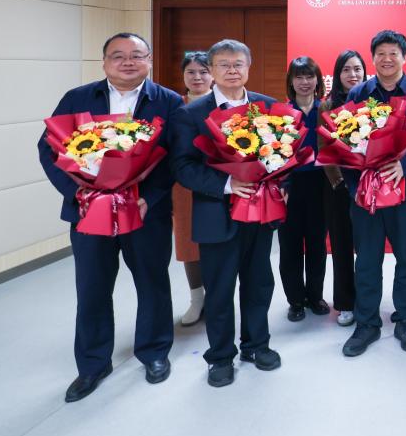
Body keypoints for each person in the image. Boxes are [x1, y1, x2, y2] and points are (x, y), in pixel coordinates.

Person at [38, 33, 182, 402]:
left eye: (136, 55)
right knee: (92, 287)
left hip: (146, 213)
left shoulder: (168, 101)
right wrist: (78, 194)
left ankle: (154, 352)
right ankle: (92, 364)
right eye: (118, 56)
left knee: (152, 283)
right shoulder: (78, 98)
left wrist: (150, 196)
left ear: (149, 60)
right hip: (89, 213)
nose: (127, 62)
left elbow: (175, 157)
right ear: (104, 62)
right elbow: (49, 148)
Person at [171, 39, 280, 387]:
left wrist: (281, 182)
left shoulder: (268, 107)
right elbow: (183, 167)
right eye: (224, 65)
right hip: (215, 214)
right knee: (219, 290)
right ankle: (219, 356)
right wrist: (227, 184)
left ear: (248, 67)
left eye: (238, 64)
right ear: (212, 70)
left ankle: (256, 345)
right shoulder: (192, 114)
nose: (232, 71)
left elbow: (284, 154)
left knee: (259, 283)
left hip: (260, 212)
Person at [340, 31, 406, 357]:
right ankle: (367, 323)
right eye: (381, 53)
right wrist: (356, 186)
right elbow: (343, 141)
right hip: (366, 196)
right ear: (372, 57)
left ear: (404, 57)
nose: (387, 59)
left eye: (393, 53)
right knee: (367, 260)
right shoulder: (358, 93)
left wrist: (404, 166)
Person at [277, 57, 330, 323]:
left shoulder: (326, 110)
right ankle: (296, 300)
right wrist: (281, 184)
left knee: (318, 243)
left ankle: (315, 296)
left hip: (321, 184)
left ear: (318, 80)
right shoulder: (280, 112)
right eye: (299, 77)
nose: (305, 82)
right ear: (291, 81)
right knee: (290, 246)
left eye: (310, 76)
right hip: (289, 186)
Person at [322, 51, 365, 327]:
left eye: (358, 69)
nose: (353, 75)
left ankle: (367, 299)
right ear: (338, 74)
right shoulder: (327, 106)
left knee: (368, 247)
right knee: (341, 245)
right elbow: (323, 147)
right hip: (338, 186)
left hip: (369, 184)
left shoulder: (372, 102)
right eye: (347, 69)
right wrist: (340, 181)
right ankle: (345, 303)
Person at [173, 51, 211, 327]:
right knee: (188, 243)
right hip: (184, 185)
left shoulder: (222, 103)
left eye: (203, 71)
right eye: (191, 72)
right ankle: (196, 299)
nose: (197, 77)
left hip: (221, 183)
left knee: (219, 244)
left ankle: (218, 297)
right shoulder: (174, 106)